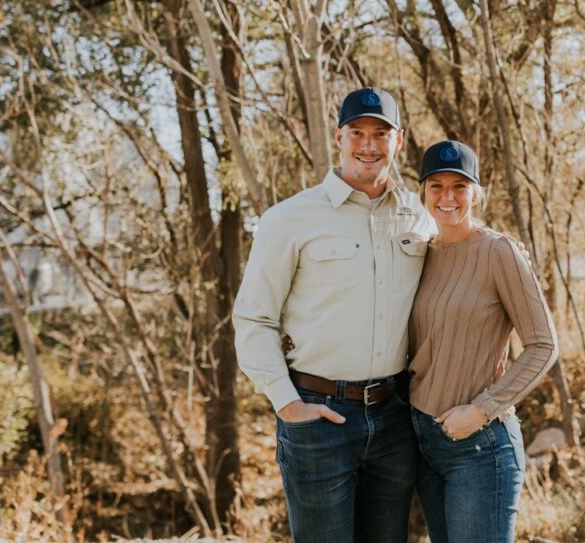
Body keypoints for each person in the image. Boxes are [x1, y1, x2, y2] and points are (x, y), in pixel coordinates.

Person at [232, 87, 433, 543]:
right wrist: (287, 403)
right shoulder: (289, 218)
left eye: (380, 134)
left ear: (397, 141)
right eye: (357, 133)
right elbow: (253, 319)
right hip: (317, 417)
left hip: (394, 417)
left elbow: (458, 260)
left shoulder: (417, 218)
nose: (368, 145)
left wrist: (498, 249)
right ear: (338, 137)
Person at [408, 140, 558, 543]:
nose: (447, 196)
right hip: (424, 441)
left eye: (459, 186)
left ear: (476, 192)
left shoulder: (499, 251)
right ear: (422, 191)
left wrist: (483, 409)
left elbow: (543, 345)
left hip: (479, 447)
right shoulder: (421, 253)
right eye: (436, 185)